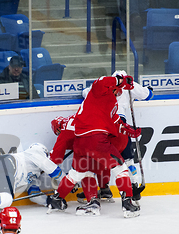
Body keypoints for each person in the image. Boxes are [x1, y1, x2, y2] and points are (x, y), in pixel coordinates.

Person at [46, 75, 142, 218]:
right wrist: (120, 80)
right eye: (118, 90)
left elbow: (114, 120)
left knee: (76, 173)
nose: (119, 93)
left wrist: (126, 128)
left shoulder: (106, 103)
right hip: (96, 139)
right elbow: (101, 81)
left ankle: (57, 200)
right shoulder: (97, 92)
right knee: (120, 167)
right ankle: (128, 204)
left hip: (80, 142)